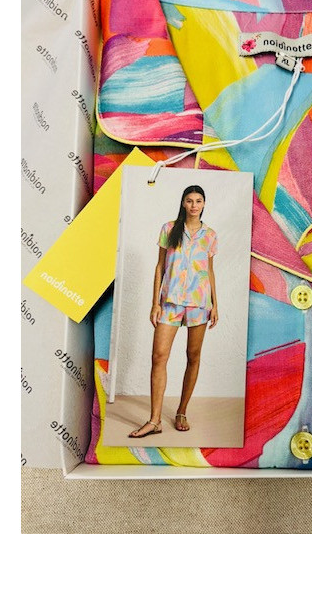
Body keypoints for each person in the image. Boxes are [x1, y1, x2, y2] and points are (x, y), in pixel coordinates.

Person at [129, 185, 218, 437]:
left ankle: (181, 411)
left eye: (198, 201)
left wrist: (215, 305)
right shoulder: (169, 229)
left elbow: (209, 271)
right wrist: (155, 303)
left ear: (204, 204)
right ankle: (154, 420)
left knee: (193, 356)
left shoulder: (210, 235)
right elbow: (160, 267)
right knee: (159, 356)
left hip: (199, 303)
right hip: (170, 302)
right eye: (189, 200)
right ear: (183, 203)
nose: (194, 205)